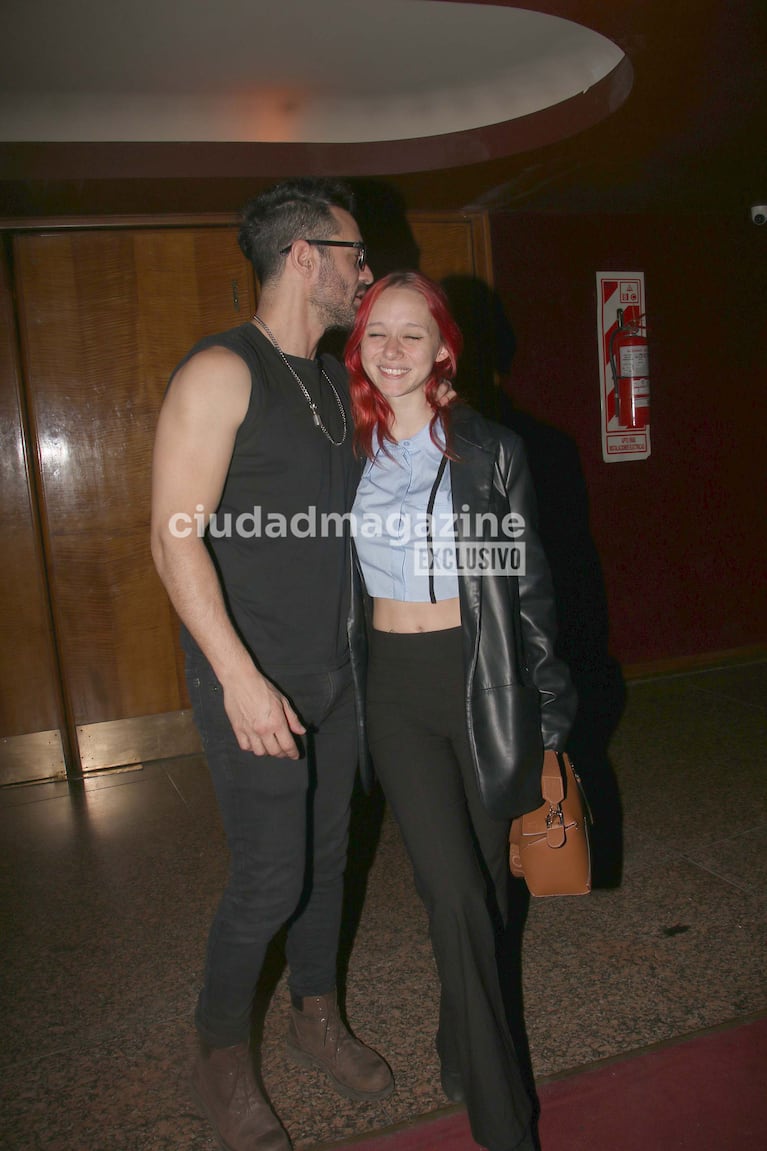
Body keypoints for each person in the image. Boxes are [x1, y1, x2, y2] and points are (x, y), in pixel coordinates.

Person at [150, 177, 393, 1151]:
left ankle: (313, 1013)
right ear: (305, 255)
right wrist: (240, 677)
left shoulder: (335, 381)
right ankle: (218, 1053)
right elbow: (174, 539)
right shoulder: (221, 371)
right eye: (354, 253)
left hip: (336, 675)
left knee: (329, 863)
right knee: (268, 876)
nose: (364, 271)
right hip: (248, 677)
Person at [344, 271, 577, 1151]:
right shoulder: (348, 450)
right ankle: (502, 1120)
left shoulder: (488, 451)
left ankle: (456, 1035)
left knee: (485, 889)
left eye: (413, 334)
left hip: (481, 682)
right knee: (451, 893)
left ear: (444, 346)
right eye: (376, 334)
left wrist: (549, 721)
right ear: (358, 348)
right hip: (393, 687)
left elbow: (529, 592)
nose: (393, 350)